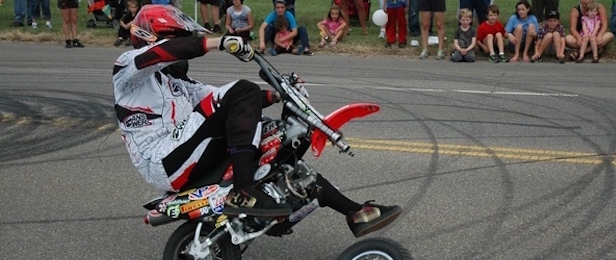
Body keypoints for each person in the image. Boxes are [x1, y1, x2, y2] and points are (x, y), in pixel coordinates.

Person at [113, 4, 402, 234]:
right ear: (150, 37)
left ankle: (353, 212)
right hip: (162, 160)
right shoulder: (127, 69)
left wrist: (279, 94)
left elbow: (225, 100)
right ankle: (243, 191)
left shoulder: (181, 84)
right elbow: (166, 53)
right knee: (243, 90)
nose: (185, 45)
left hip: (185, 150)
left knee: (275, 138)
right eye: (180, 38)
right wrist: (219, 42)